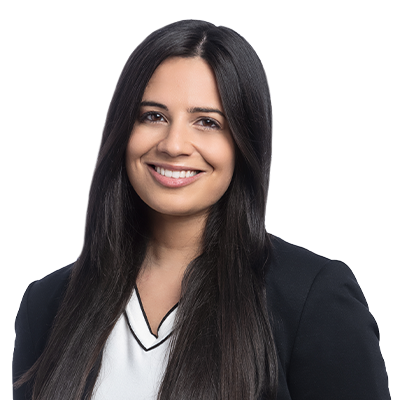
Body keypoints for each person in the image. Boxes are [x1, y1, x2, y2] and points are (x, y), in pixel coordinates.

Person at [12, 19, 390, 400]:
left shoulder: (314, 300)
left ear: (244, 142)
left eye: (207, 122)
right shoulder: (46, 305)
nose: (174, 144)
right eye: (153, 116)